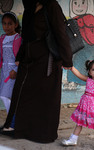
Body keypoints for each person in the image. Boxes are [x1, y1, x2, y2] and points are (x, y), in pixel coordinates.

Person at [1, 0, 73, 143]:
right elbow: (26, 36)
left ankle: (44, 134)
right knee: (23, 94)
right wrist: (20, 56)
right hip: (29, 61)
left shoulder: (51, 5)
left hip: (48, 61)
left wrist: (67, 59)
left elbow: (60, 32)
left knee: (45, 98)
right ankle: (19, 128)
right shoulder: (30, 6)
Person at [62, 59, 94, 150]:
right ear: (89, 72)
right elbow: (79, 74)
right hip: (85, 106)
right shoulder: (88, 80)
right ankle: (73, 139)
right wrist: (71, 67)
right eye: (93, 69)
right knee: (79, 123)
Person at [67, 0, 94, 85]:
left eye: (83, 3)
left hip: (82, 47)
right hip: (90, 47)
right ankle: (76, 82)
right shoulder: (89, 18)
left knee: (79, 64)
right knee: (85, 64)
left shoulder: (75, 20)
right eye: (75, 3)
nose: (79, 7)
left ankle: (74, 82)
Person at [0, 12, 21, 130]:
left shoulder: (18, 38)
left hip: (13, 72)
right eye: (4, 23)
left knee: (5, 96)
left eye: (10, 24)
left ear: (16, 25)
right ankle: (12, 122)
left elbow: (20, 57)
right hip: (4, 71)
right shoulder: (2, 38)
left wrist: (16, 70)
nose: (6, 26)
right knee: (6, 96)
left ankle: (12, 122)